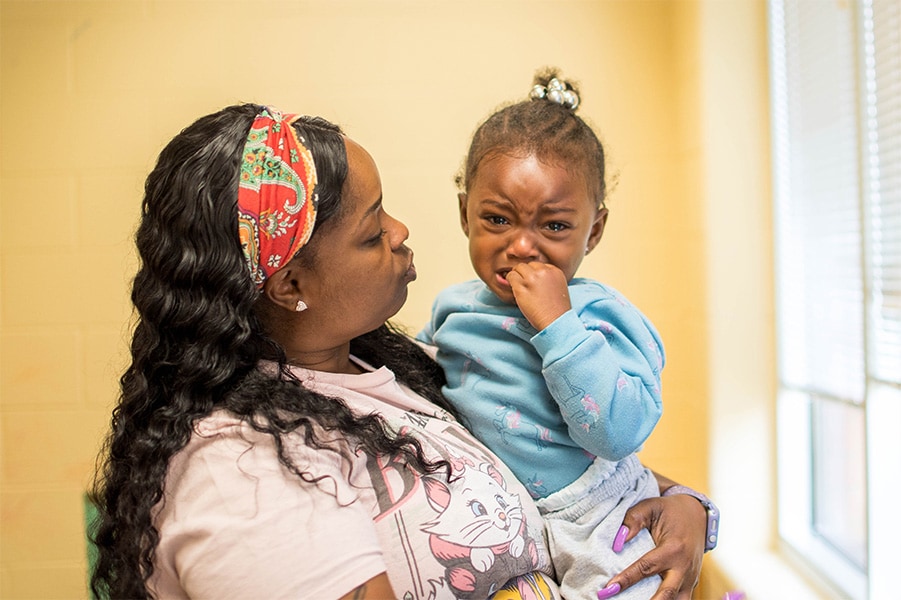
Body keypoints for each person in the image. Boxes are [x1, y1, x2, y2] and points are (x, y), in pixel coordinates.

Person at [90, 103, 711, 600]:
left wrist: (686, 507)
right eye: (371, 228)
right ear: (290, 283)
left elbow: (546, 446)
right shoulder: (241, 473)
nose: (401, 231)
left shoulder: (388, 368)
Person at [418, 70, 709, 600]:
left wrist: (559, 326)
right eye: (497, 219)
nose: (523, 246)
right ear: (465, 214)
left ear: (593, 231)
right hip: (509, 514)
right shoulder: (451, 309)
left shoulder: (601, 314)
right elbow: (418, 389)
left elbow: (620, 435)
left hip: (599, 509)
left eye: (553, 226)